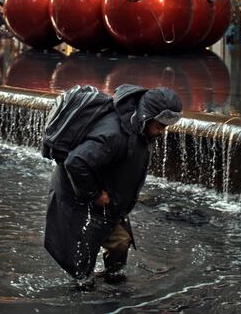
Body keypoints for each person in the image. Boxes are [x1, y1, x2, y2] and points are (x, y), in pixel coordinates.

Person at [44, 85, 183, 288]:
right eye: (160, 125)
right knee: (81, 266)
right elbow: (76, 162)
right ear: (146, 116)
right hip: (81, 198)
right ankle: (82, 296)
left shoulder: (138, 127)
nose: (162, 131)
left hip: (111, 201)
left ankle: (113, 281)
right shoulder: (114, 135)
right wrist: (93, 194)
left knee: (120, 241)